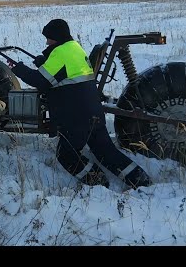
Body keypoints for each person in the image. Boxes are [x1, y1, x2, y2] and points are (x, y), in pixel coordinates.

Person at [10, 19, 151, 189]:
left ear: (57, 37)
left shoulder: (60, 53)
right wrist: (43, 62)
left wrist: (17, 68)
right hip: (93, 111)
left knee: (66, 154)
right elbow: (63, 72)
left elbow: (40, 81)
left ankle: (97, 181)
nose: (47, 41)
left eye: (49, 38)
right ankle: (141, 180)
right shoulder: (74, 48)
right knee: (106, 151)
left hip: (76, 117)